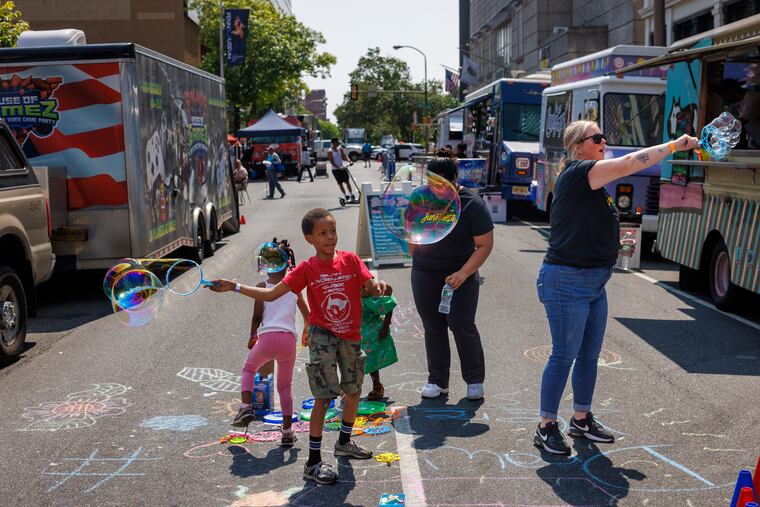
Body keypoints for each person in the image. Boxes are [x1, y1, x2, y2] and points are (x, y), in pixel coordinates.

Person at [533, 121, 699, 456]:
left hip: (594, 281)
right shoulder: (580, 170)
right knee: (564, 355)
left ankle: (580, 418)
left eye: (603, 136)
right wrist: (672, 146)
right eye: (596, 137)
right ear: (578, 145)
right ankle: (546, 426)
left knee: (589, 356)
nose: (603, 141)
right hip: (568, 279)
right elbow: (627, 164)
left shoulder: (590, 177)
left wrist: (612, 243)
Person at [209, 208, 389, 485]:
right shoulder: (306, 269)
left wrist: (377, 285)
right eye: (322, 233)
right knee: (324, 397)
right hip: (322, 337)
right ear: (309, 239)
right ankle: (313, 462)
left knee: (352, 392)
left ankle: (343, 442)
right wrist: (235, 286)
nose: (330, 237)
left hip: (351, 337)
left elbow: (369, 283)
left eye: (333, 231)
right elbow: (270, 293)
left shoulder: (351, 260)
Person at [410, 150, 494, 401]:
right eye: (431, 183)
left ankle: (474, 380)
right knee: (433, 327)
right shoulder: (419, 197)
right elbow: (411, 232)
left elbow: (485, 245)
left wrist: (464, 273)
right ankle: (438, 381)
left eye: (442, 184)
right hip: (425, 271)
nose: (436, 189)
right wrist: (416, 256)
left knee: (462, 324)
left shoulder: (471, 203)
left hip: (462, 273)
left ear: (454, 179)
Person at [230, 239, 307, 448]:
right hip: (288, 341)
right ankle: (288, 431)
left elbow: (257, 316)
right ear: (286, 262)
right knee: (285, 386)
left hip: (267, 338)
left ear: (264, 265)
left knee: (248, 370)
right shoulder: (294, 286)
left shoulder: (262, 287)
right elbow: (306, 313)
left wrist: (252, 336)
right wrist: (307, 330)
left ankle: (246, 406)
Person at [360, 283, 398, 400]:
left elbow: (389, 305)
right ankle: (351, 389)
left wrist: (385, 326)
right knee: (350, 361)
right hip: (354, 333)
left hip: (371, 335)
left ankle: (376, 384)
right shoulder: (349, 296)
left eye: (362, 287)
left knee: (371, 360)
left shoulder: (372, 299)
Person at [327, 138, 355, 202]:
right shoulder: (330, 151)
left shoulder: (340, 149)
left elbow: (344, 156)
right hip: (335, 169)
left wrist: (349, 161)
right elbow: (332, 161)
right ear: (333, 143)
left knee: (347, 181)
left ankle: (351, 195)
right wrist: (339, 167)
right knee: (340, 183)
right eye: (337, 142)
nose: (338, 143)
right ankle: (346, 196)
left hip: (343, 168)